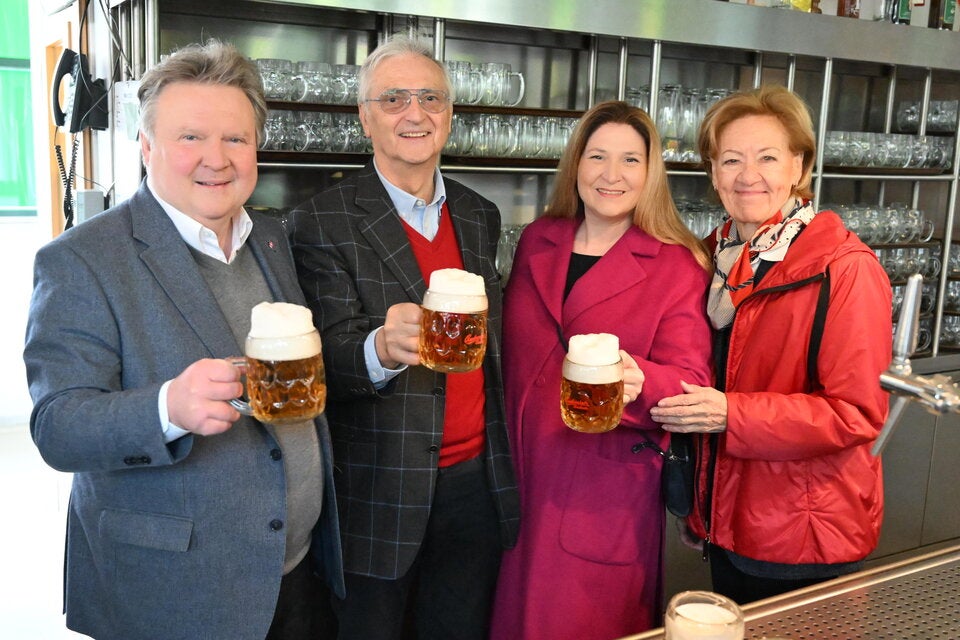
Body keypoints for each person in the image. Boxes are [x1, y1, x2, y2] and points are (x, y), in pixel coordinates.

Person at [23, 40, 344, 640]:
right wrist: (166, 406)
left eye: (235, 139)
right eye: (190, 137)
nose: (215, 159)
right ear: (146, 146)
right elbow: (58, 428)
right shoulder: (82, 260)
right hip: (174, 590)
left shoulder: (272, 238)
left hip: (296, 572)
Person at [288, 36, 520, 640]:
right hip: (377, 490)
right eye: (393, 99)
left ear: (449, 114)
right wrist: (379, 349)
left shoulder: (479, 213)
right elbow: (321, 360)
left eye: (430, 98)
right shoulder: (320, 219)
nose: (414, 114)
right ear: (365, 117)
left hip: (474, 482)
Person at [650, 85, 892, 605]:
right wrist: (701, 504)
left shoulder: (844, 269)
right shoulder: (712, 260)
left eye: (767, 158)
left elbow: (855, 413)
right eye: (731, 159)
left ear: (798, 167)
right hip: (726, 522)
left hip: (804, 535)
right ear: (712, 172)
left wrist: (730, 415)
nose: (747, 175)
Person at [489, 101, 714, 640]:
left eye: (630, 160)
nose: (611, 175)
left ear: (650, 173)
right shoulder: (538, 240)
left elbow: (692, 384)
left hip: (599, 494)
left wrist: (640, 381)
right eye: (597, 156)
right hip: (513, 483)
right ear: (576, 164)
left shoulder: (676, 263)